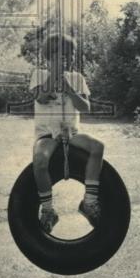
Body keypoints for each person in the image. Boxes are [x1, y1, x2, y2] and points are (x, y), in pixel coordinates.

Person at [31, 32, 104, 233]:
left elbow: (86, 107)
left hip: (72, 133)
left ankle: (88, 203)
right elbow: (41, 98)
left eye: (68, 55)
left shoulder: (77, 78)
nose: (65, 59)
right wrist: (55, 75)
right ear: (48, 56)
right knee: (39, 159)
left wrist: (70, 89)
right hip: (47, 135)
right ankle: (47, 211)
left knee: (97, 147)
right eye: (58, 55)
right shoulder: (39, 75)